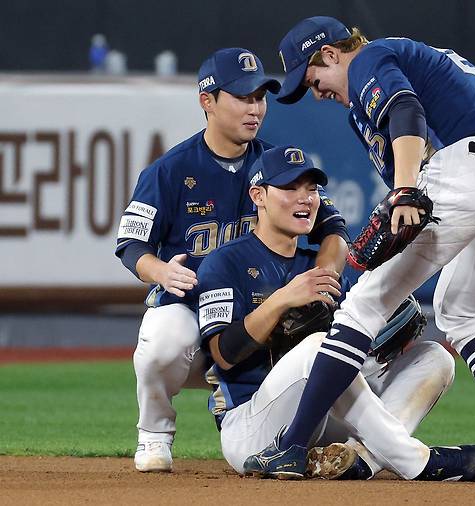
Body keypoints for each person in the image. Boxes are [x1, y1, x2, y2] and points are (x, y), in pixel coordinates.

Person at [245, 16, 475, 481]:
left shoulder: (369, 57)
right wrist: (404, 193)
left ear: (330, 54)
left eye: (313, 79)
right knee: (461, 312)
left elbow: (406, 110)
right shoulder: (374, 91)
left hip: (473, 166)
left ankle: (289, 447)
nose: (316, 92)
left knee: (360, 309)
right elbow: (408, 146)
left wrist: (406, 192)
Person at [114, 48, 349, 472]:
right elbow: (131, 245)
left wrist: (325, 272)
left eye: (260, 97)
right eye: (242, 97)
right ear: (208, 101)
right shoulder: (170, 171)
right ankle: (154, 433)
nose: (255, 108)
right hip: (190, 308)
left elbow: (333, 227)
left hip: (256, 311)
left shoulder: (279, 169)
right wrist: (160, 271)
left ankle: (268, 426)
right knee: (163, 339)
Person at [197, 146, 475, 481]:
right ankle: (415, 461)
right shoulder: (225, 262)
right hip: (252, 428)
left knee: (435, 358)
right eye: (289, 188)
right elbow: (223, 354)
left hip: (321, 422)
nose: (304, 198)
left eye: (311, 189)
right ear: (259, 196)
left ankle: (359, 459)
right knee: (318, 348)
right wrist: (280, 300)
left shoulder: (322, 265)